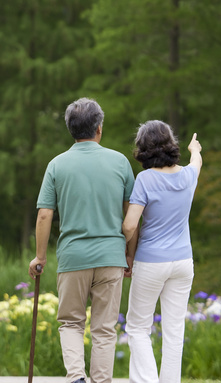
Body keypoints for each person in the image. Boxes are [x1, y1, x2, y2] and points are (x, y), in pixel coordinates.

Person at [29, 97, 135, 383]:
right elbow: (132, 218)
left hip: (73, 257)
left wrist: (41, 257)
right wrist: (130, 254)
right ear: (99, 128)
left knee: (71, 322)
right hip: (111, 256)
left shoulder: (56, 165)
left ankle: (76, 376)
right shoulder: (120, 162)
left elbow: (44, 216)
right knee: (104, 328)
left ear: (70, 129)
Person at [122, 120, 202, 383]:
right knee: (174, 331)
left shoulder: (145, 179)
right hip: (183, 262)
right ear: (171, 144)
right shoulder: (188, 176)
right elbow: (196, 163)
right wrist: (195, 149)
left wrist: (124, 245)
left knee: (137, 327)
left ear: (143, 149)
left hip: (151, 262)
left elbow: (131, 224)